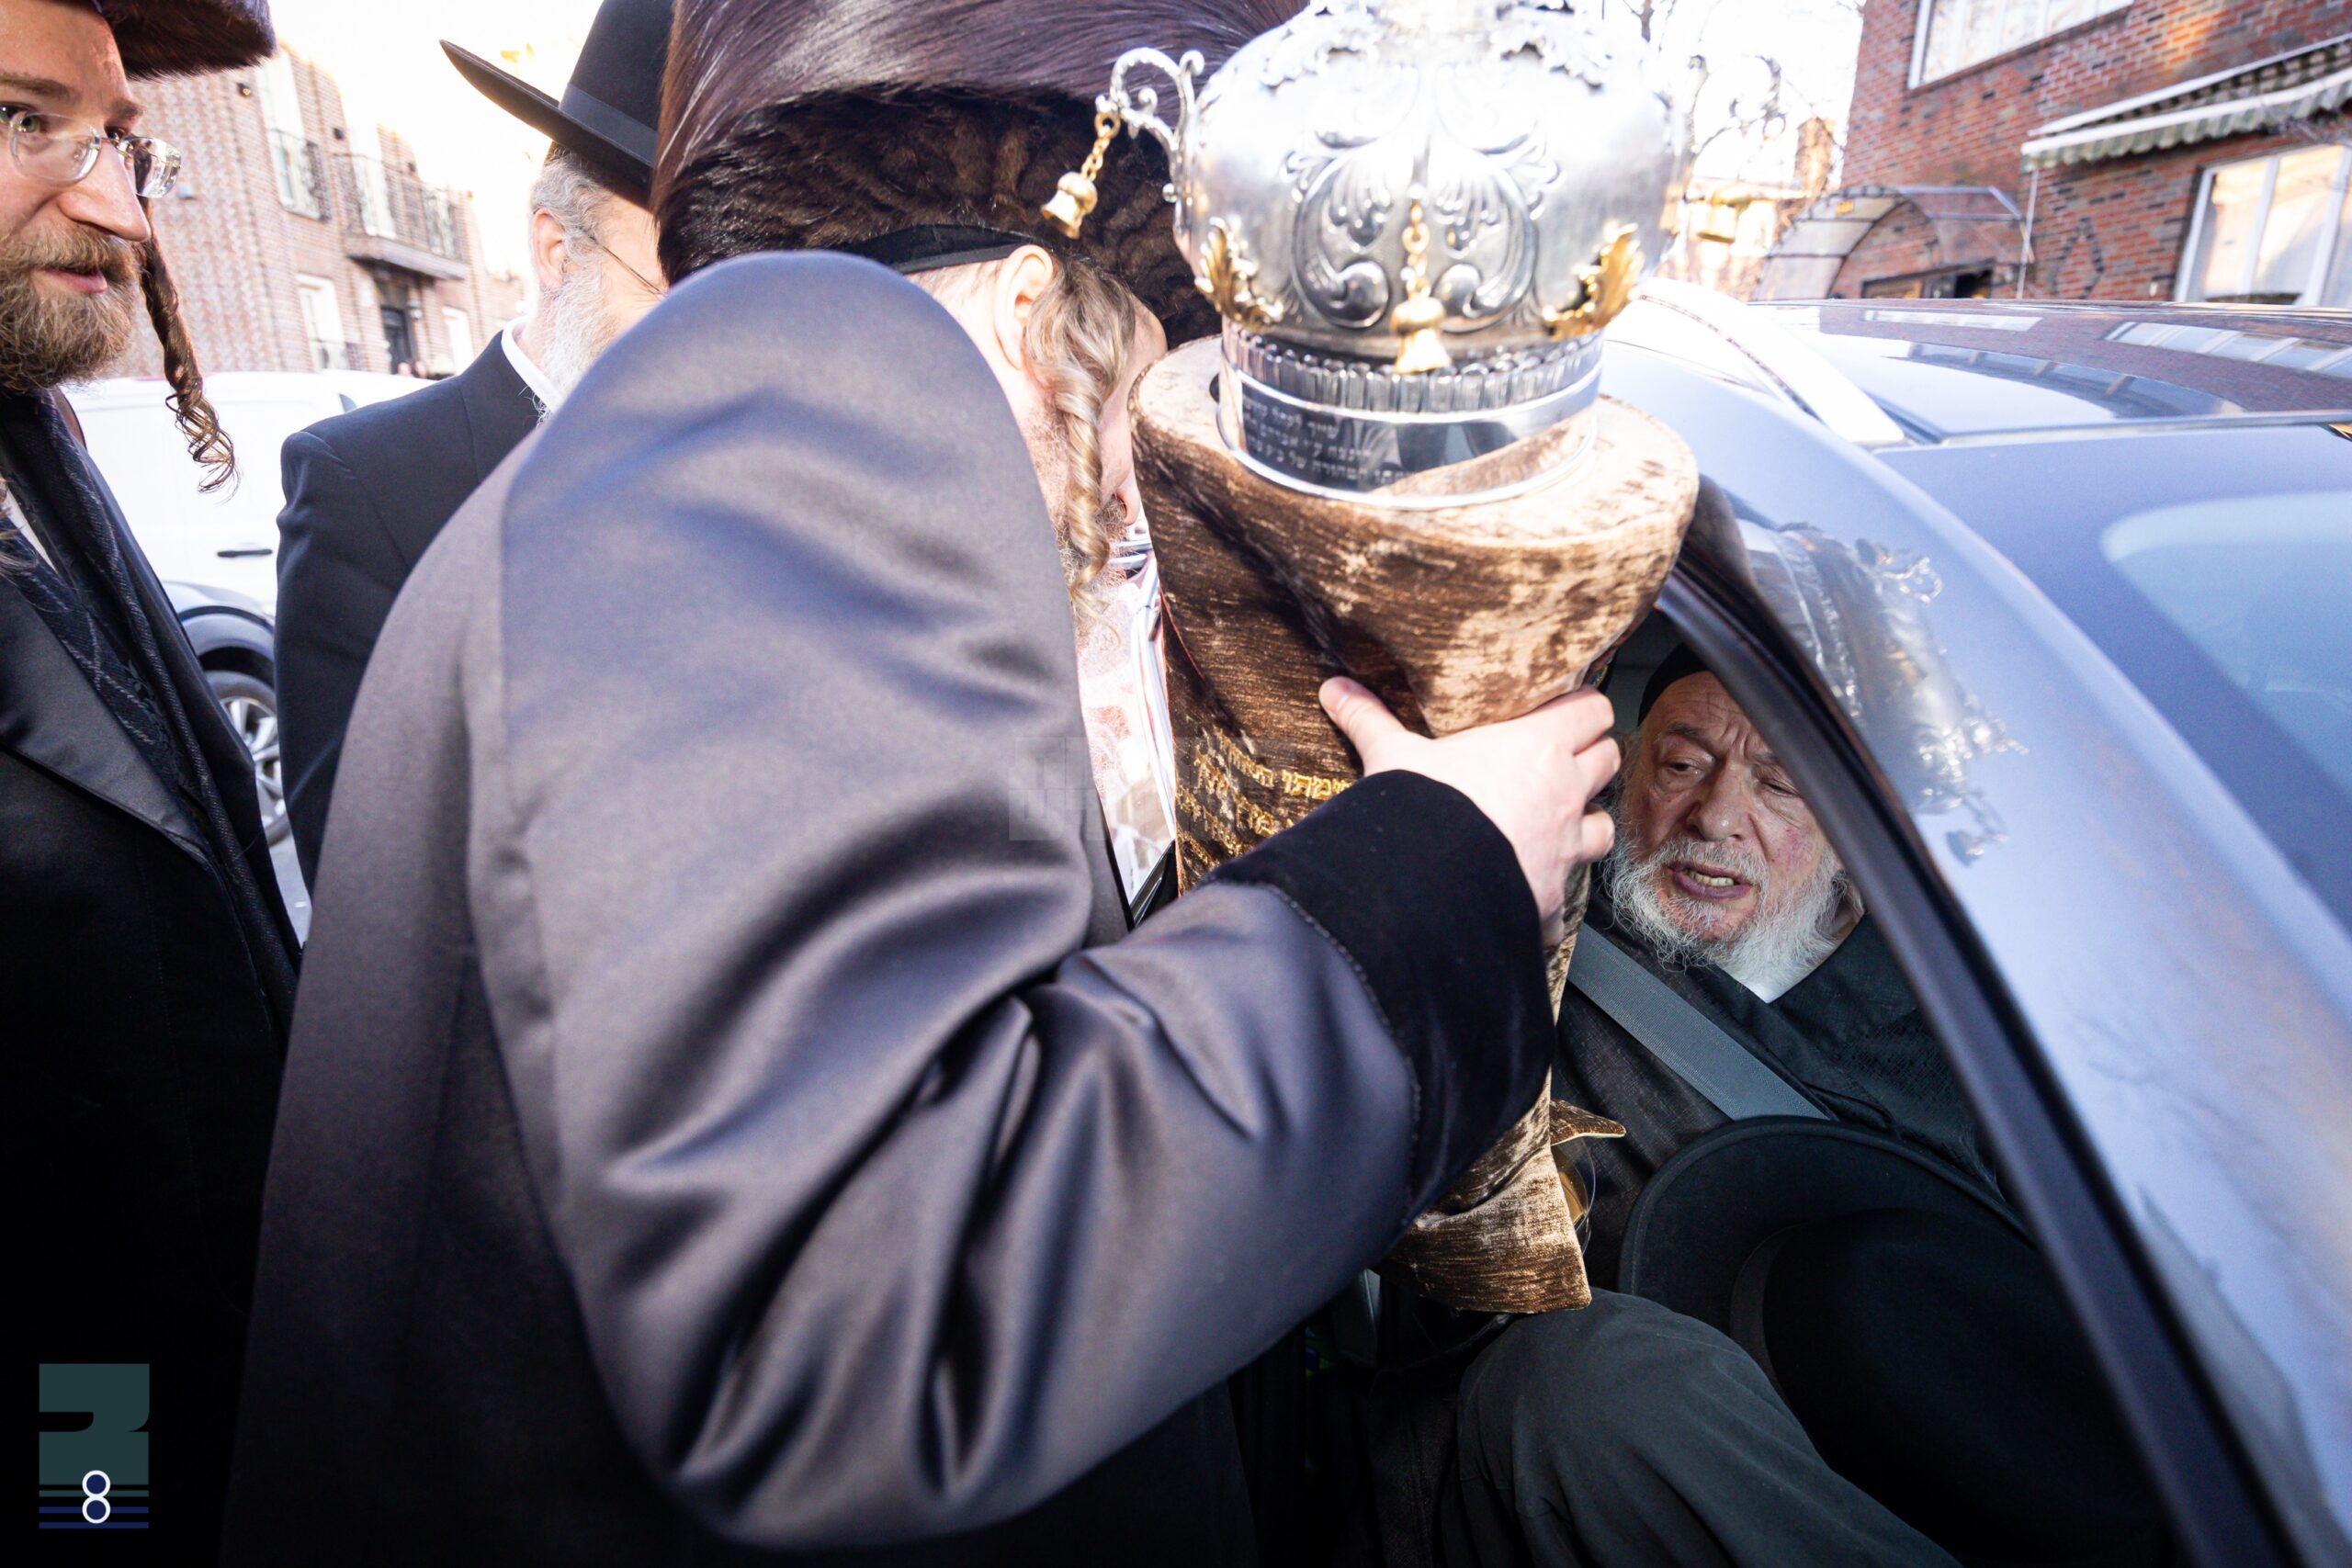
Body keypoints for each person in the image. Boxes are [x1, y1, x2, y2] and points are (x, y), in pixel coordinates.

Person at [224, 1, 1623, 1562]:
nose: (1138, 487)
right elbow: (851, 1308)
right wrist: (1439, 873)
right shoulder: (821, 416)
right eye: (1153, 393)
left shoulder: (722, 440)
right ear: (1033, 304)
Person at [1438, 647, 2167, 1568]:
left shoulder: (1975, 1031)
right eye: (1682, 764)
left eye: (1779, 785)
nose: (1716, 816)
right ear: (1624, 779)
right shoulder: (1542, 943)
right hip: (1664, 1452)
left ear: (1853, 828)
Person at [0, 0, 297, 1556]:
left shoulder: (39, 449)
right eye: (19, 123)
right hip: (79, 1411)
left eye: (117, 141)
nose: (117, 206)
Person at [273, 0, 670, 882]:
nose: (704, 327)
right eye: (670, 285)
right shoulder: (366, 483)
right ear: (558, 251)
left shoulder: (749, 463)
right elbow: (361, 858)